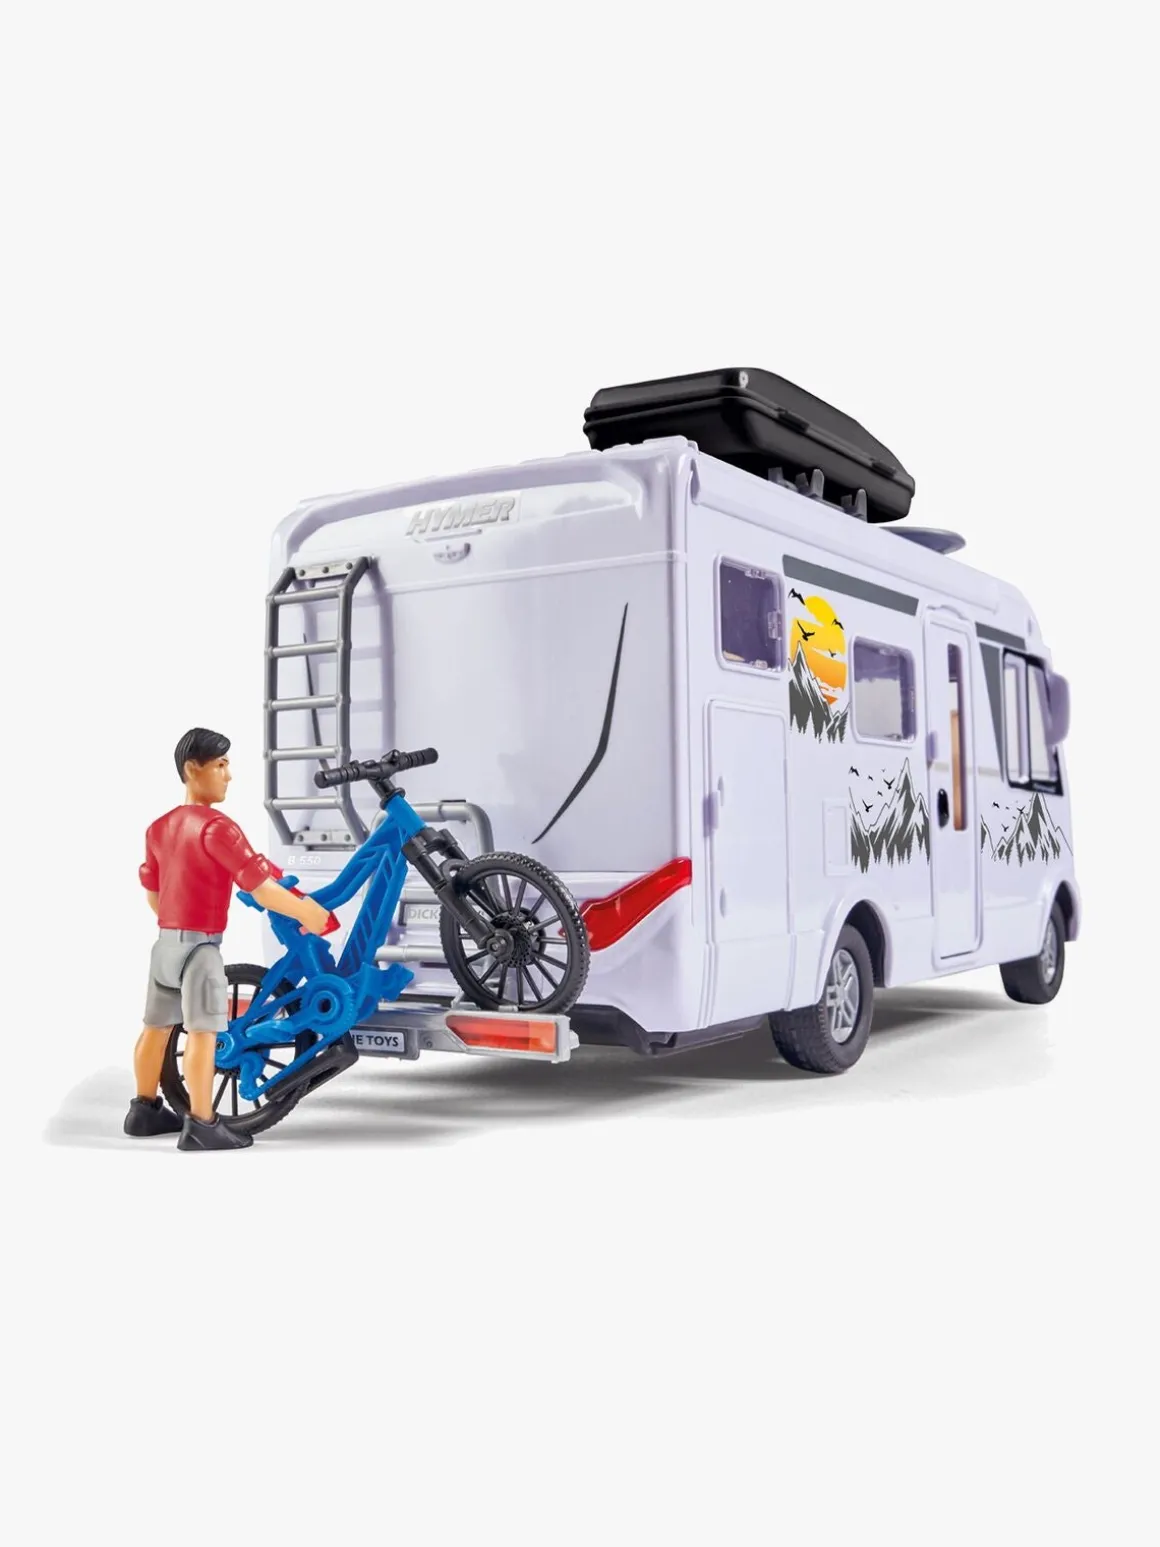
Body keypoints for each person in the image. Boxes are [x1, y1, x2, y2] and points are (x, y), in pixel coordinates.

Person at [126, 727, 331, 1151]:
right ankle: (202, 1123)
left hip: (166, 946)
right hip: (200, 948)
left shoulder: (158, 828)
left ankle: (144, 1110)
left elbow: (153, 893)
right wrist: (309, 912)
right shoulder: (218, 829)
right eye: (220, 765)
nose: (228, 775)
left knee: (156, 1028)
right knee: (204, 1032)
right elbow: (261, 889)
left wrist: (175, 923)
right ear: (192, 769)